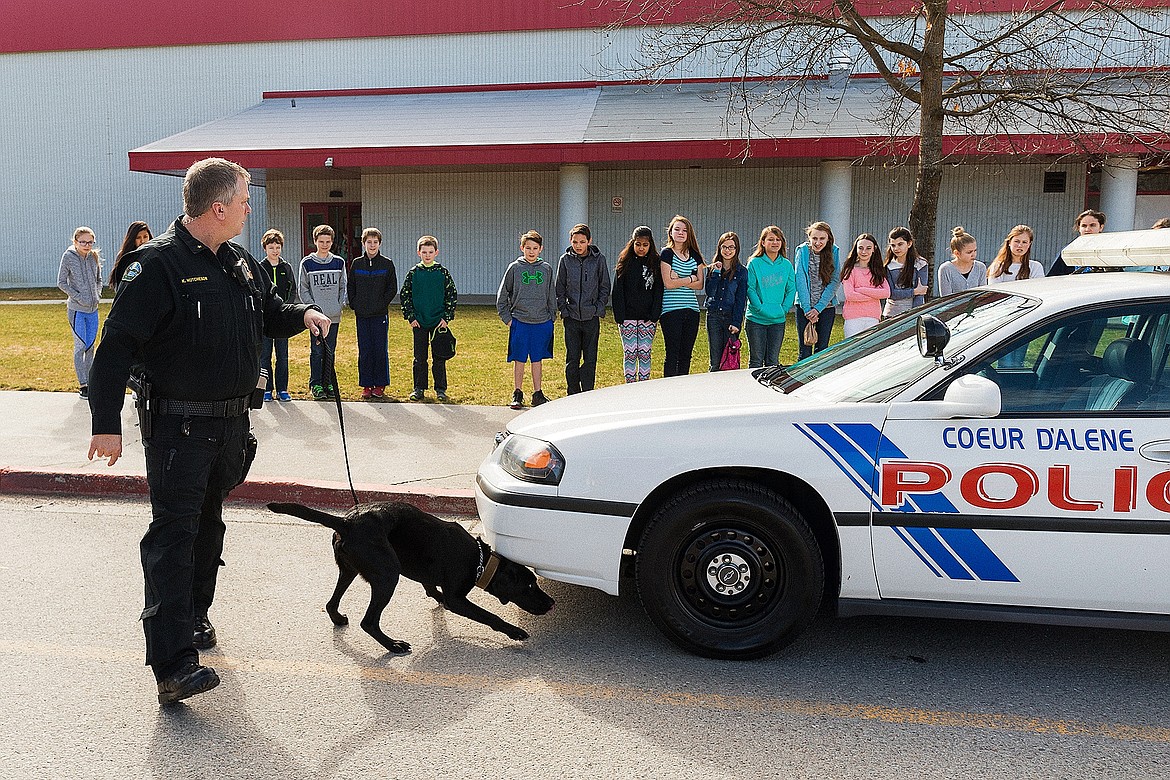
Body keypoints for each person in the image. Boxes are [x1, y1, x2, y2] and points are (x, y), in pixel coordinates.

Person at [85, 157, 331, 705]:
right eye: (244, 200)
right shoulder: (156, 267)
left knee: (207, 528)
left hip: (229, 426)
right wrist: (106, 424)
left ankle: (194, 618)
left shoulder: (238, 261)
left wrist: (303, 313)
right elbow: (116, 347)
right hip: (178, 428)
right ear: (218, 208)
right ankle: (172, 664)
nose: (250, 208)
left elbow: (267, 310)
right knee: (174, 537)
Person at [498, 230, 555, 408]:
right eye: (528, 247)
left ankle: (538, 393)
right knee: (520, 359)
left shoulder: (546, 269)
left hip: (541, 322)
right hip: (520, 322)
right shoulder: (515, 268)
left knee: (537, 360)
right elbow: (502, 296)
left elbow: (551, 295)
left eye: (535, 248)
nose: (531, 251)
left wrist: (551, 318)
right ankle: (517, 392)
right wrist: (509, 319)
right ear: (522, 248)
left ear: (541, 249)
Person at [400, 235, 458, 402]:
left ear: (436, 252)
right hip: (419, 322)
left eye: (430, 252)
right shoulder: (413, 273)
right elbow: (405, 296)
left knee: (439, 357)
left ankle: (440, 389)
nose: (427, 255)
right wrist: (411, 317)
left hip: (438, 322)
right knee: (420, 357)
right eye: (424, 252)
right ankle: (419, 388)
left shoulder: (442, 272)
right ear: (419, 252)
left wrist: (446, 317)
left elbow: (451, 295)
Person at [554, 224, 611, 395]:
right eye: (575, 241)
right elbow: (559, 288)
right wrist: (564, 310)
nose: (578, 245)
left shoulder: (599, 260)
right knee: (572, 358)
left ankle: (587, 393)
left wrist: (598, 309)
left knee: (590, 359)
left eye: (582, 241)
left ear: (589, 241)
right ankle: (572, 392)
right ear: (570, 241)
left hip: (590, 318)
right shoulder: (565, 260)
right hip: (571, 318)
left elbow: (604, 286)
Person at [348, 227, 398, 400]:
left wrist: (381, 304)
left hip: (379, 315)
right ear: (363, 243)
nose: (372, 245)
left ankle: (380, 385)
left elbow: (392, 289)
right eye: (369, 242)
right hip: (362, 315)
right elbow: (351, 286)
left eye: (375, 242)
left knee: (379, 349)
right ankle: (367, 385)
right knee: (365, 350)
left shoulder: (387, 264)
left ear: (380, 243)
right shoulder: (356, 264)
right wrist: (355, 304)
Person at [298, 224, 347, 400]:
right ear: (315, 241)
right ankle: (316, 383)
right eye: (321, 241)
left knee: (330, 350)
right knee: (317, 350)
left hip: (333, 316)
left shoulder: (339, 262)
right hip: (317, 318)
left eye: (327, 241)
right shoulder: (307, 263)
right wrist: (313, 309)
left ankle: (328, 383)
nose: (324, 244)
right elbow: (303, 289)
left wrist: (339, 305)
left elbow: (343, 287)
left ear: (332, 242)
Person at [611, 225, 663, 383]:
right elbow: (617, 291)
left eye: (645, 245)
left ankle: (644, 385)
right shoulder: (624, 262)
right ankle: (630, 386)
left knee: (645, 352)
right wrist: (620, 316)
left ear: (650, 245)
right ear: (632, 243)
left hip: (648, 318)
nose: (641, 248)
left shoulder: (655, 263)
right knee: (630, 353)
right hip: (628, 317)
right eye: (638, 244)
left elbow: (658, 290)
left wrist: (655, 315)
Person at [58, 226, 103, 398]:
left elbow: (98, 280)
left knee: (91, 346)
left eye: (90, 242)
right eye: (83, 242)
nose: (86, 245)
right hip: (77, 310)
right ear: (75, 241)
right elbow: (61, 282)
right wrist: (79, 297)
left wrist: (97, 294)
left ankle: (91, 382)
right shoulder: (68, 257)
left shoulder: (93, 256)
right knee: (80, 347)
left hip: (93, 310)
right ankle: (83, 385)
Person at [659, 215, 705, 377]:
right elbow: (668, 284)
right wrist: (690, 278)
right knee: (672, 354)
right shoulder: (666, 254)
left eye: (684, 230)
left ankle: (682, 390)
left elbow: (700, 284)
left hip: (692, 311)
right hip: (671, 311)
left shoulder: (695, 255)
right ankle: (669, 391)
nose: (681, 233)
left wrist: (679, 278)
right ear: (670, 232)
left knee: (686, 355)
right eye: (677, 229)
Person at [744, 225, 796, 368]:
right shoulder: (754, 263)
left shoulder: (786, 265)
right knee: (756, 360)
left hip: (778, 320)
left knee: (772, 361)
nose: (775, 242)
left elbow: (791, 289)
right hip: (756, 320)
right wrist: (760, 308)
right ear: (763, 242)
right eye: (771, 239)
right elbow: (750, 288)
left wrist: (784, 308)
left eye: (778, 239)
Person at [793, 221, 842, 359]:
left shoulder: (834, 251)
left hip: (826, 307)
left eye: (822, 239)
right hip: (804, 307)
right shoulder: (802, 251)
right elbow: (800, 279)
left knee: (822, 350)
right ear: (809, 238)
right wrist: (808, 309)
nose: (818, 242)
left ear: (828, 238)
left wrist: (818, 309)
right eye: (814, 238)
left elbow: (835, 280)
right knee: (805, 350)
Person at [259, 229, 296, 402]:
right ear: (265, 248)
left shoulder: (286, 267)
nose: (275, 250)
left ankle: (282, 389)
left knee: (282, 355)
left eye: (278, 247)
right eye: (271, 247)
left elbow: (292, 289)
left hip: (282, 318)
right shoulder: (260, 268)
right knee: (265, 356)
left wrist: (285, 307)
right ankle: (266, 389)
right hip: (266, 319)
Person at [704, 231, 748, 371]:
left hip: (730, 318)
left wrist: (736, 323)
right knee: (715, 360)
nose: (727, 250)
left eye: (731, 247)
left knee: (729, 359)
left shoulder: (741, 272)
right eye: (724, 247)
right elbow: (710, 292)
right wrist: (716, 273)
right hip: (714, 316)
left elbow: (741, 299)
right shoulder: (713, 269)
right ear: (719, 248)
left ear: (736, 249)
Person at [840, 233, 890, 338]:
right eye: (861, 248)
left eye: (868, 248)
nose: (864, 252)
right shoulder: (850, 270)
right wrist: (875, 295)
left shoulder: (878, 270)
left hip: (873, 317)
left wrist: (861, 289)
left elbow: (886, 293)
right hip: (852, 318)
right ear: (856, 249)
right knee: (852, 350)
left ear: (874, 249)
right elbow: (850, 295)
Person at [883, 226, 929, 318]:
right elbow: (891, 293)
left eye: (900, 244)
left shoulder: (920, 264)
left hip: (913, 314)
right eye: (893, 245)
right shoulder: (888, 265)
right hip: (890, 314)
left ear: (909, 243)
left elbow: (921, 293)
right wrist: (914, 291)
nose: (896, 248)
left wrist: (914, 316)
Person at [1050, 209, 1105, 276]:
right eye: (1084, 226)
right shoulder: (1068, 250)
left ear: (1101, 227)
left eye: (1092, 225)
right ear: (1079, 228)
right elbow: (1054, 276)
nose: (1087, 229)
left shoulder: (1108, 250)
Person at [936, 226, 988, 296]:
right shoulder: (946, 269)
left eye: (975, 250)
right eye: (969, 252)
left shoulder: (980, 267)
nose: (973, 254)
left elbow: (982, 294)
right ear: (957, 253)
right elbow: (946, 298)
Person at [109, 221, 153, 290]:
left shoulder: (154, 255)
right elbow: (119, 282)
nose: (142, 241)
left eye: (145, 237)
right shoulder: (124, 256)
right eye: (138, 238)